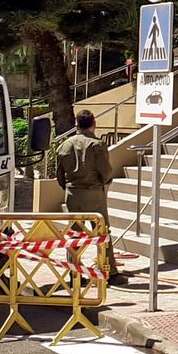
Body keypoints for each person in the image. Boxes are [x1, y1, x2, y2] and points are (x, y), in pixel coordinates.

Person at [55, 110, 127, 287]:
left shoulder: (64, 145)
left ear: (76, 124)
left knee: (74, 235)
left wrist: (69, 186)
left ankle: (74, 273)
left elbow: (59, 175)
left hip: (73, 193)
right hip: (94, 193)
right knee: (102, 232)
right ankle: (110, 271)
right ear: (93, 123)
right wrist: (105, 182)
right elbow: (106, 171)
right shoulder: (97, 145)